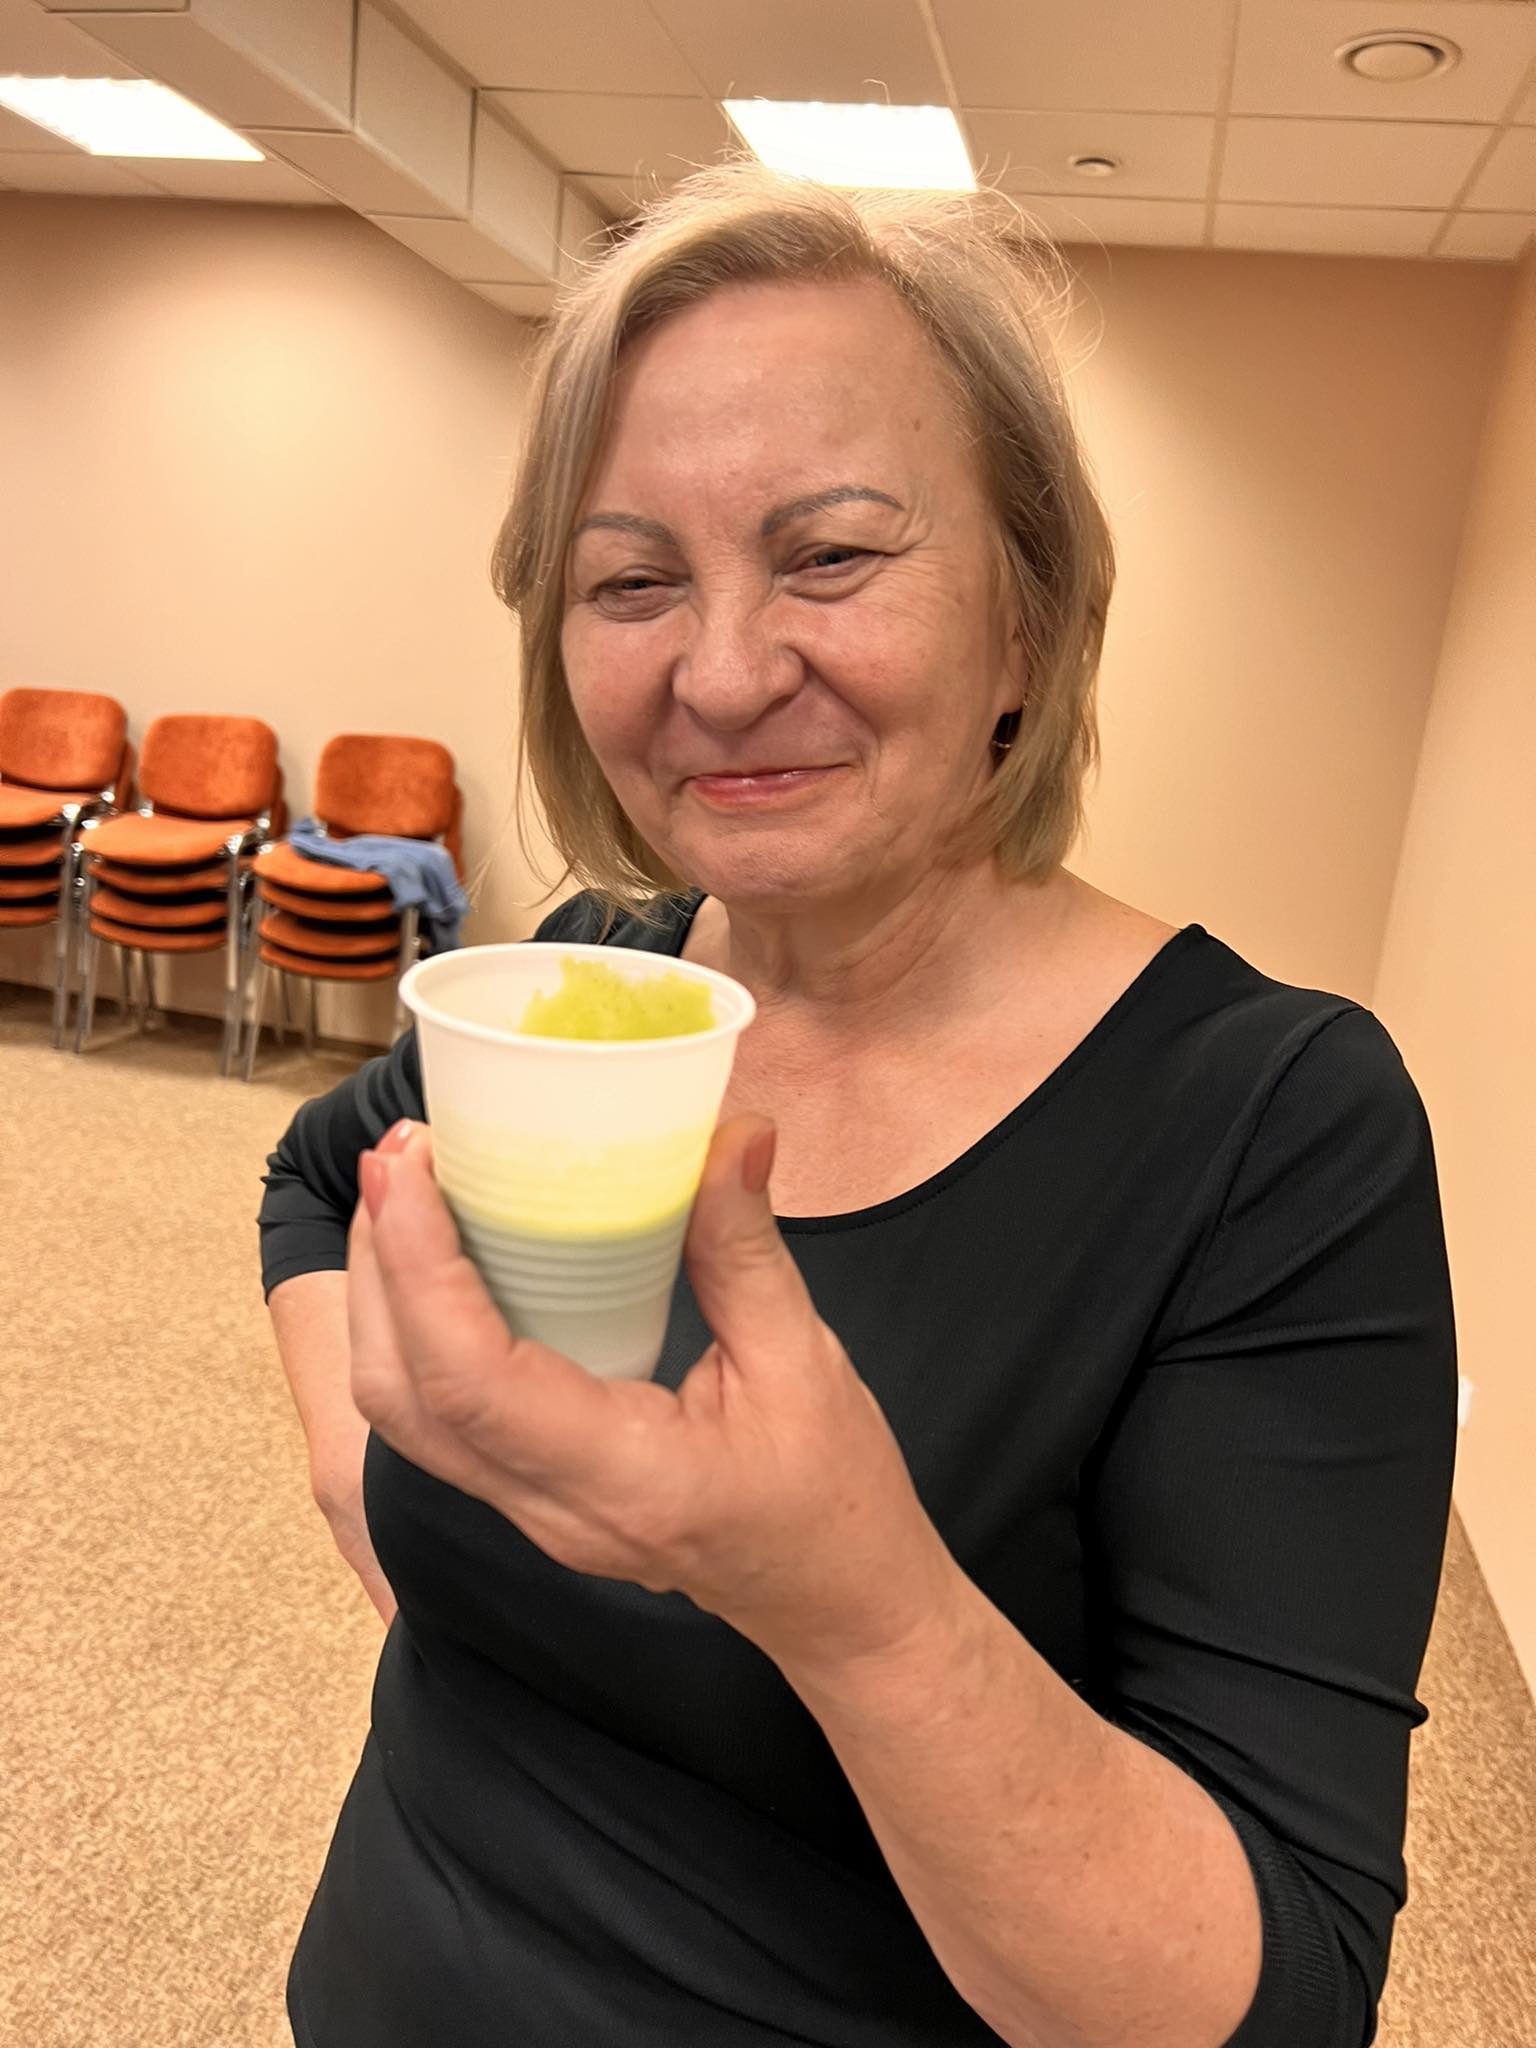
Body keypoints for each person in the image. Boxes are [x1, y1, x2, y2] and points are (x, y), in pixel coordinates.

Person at [259, 163, 1457, 2048]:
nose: (724, 672)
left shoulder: (1272, 1127)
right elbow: (317, 1175)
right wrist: (360, 1462)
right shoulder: (597, 983)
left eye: (830, 555)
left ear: (1029, 622)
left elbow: (1281, 2000)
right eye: (632, 580)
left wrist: (856, 1605)